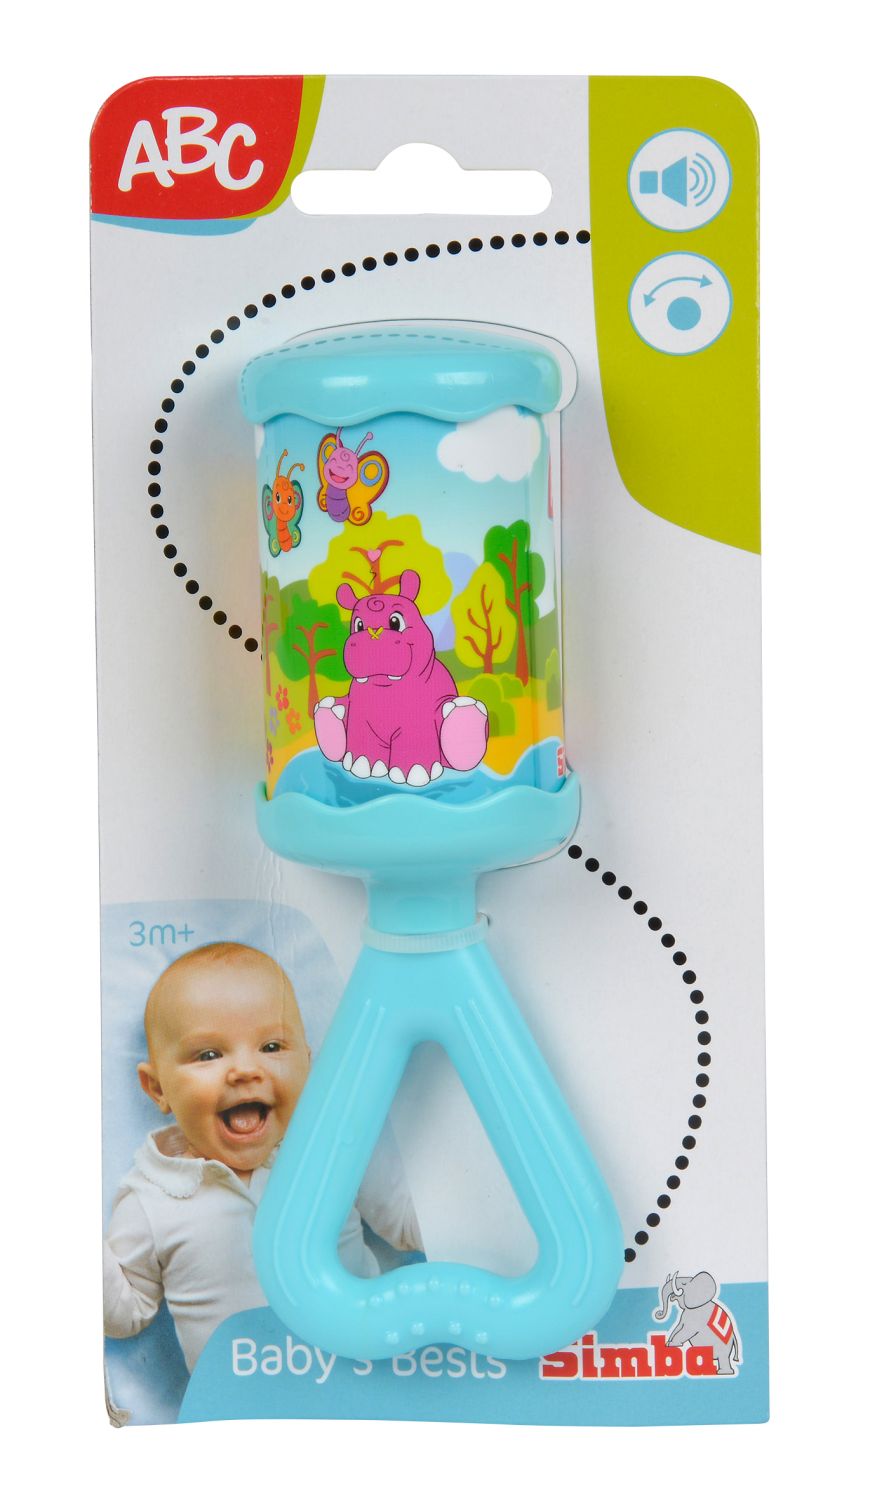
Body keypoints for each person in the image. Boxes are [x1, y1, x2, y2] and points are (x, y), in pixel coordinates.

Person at [104, 942, 393, 1371]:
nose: (244, 1070)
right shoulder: (152, 1198)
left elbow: (412, 1222)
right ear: (158, 1088)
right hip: (240, 1400)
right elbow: (125, 1313)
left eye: (272, 1047)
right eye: (208, 1055)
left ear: (307, 1065)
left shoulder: (333, 1150)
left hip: (364, 1381)